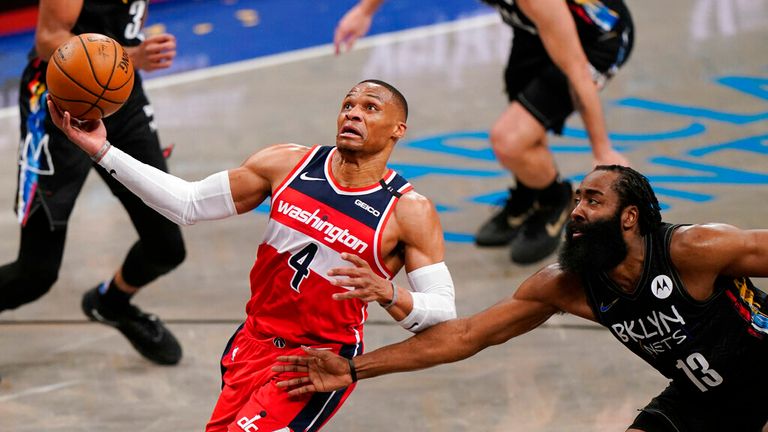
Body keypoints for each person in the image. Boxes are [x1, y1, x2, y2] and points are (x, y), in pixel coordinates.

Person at [47, 79, 457, 431]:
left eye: (370, 108)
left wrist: (389, 293)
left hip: (313, 363)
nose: (353, 113)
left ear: (397, 129)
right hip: (251, 343)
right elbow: (188, 204)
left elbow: (441, 313)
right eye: (348, 104)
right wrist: (102, 151)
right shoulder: (288, 164)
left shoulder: (407, 211)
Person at [274, 165, 768, 432]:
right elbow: (465, 336)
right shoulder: (566, 285)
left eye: (593, 201)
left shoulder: (695, 249)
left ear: (630, 218)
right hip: (701, 400)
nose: (576, 211)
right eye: (576, 199)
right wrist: (355, 368)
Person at [334, 0, 634, 264]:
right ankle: (530, 194)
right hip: (535, 30)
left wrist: (601, 148)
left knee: (510, 140)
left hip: (595, 39)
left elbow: (578, 72)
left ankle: (554, 200)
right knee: (523, 111)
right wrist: (364, 10)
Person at [2, 0, 183, 365]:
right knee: (36, 274)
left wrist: (130, 54)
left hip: (120, 99)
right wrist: (131, 56)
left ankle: (110, 302)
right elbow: (49, 37)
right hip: (59, 104)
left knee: (166, 247)